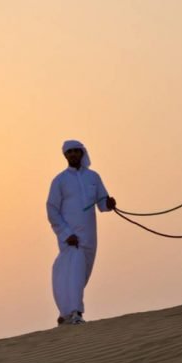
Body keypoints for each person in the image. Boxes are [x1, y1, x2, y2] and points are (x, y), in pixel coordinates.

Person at [46, 140, 116, 326]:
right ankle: (76, 313)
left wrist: (109, 204)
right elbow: (52, 209)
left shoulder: (93, 177)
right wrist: (65, 233)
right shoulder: (59, 181)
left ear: (82, 153)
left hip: (89, 235)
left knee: (82, 274)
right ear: (65, 155)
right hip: (70, 238)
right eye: (70, 152)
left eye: (77, 151)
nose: (74, 155)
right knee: (74, 272)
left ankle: (65, 314)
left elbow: (102, 204)